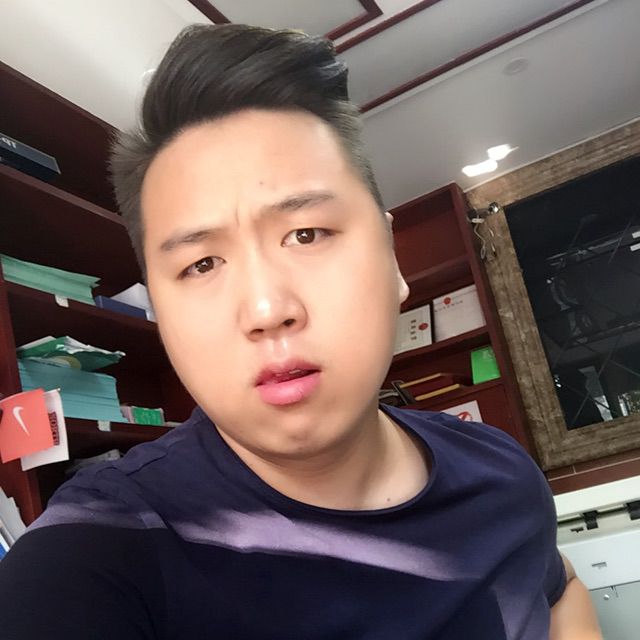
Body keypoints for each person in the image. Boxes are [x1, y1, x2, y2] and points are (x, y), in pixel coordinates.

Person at [0, 24, 601, 639]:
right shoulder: (98, 557)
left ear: (393, 259)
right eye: (201, 264)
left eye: (306, 234)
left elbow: (560, 589)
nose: (266, 308)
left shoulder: (502, 471)